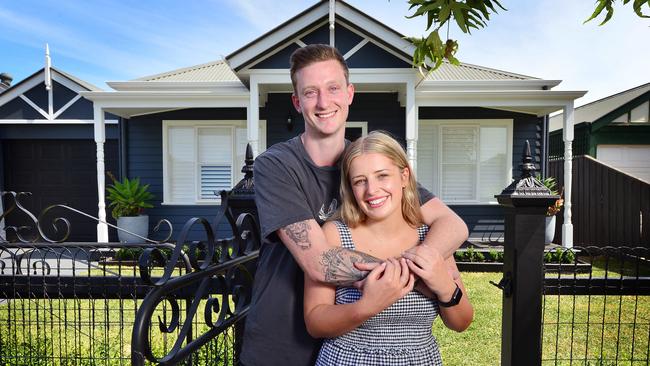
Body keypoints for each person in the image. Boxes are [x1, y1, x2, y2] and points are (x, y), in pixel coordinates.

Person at [240, 44, 469, 366]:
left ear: (349, 93)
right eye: (310, 92)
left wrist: (431, 262)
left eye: (333, 88)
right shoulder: (277, 165)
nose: (323, 102)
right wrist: (424, 277)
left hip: (354, 343)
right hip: (283, 342)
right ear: (297, 101)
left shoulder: (368, 163)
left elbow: (452, 223)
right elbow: (320, 261)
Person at [304, 131, 474, 365]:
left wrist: (445, 287)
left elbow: (461, 322)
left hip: (419, 359)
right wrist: (367, 306)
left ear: (404, 176)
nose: (371, 190)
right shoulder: (335, 234)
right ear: (350, 188)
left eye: (382, 176)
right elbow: (315, 321)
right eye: (359, 181)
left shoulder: (430, 237)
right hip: (348, 359)